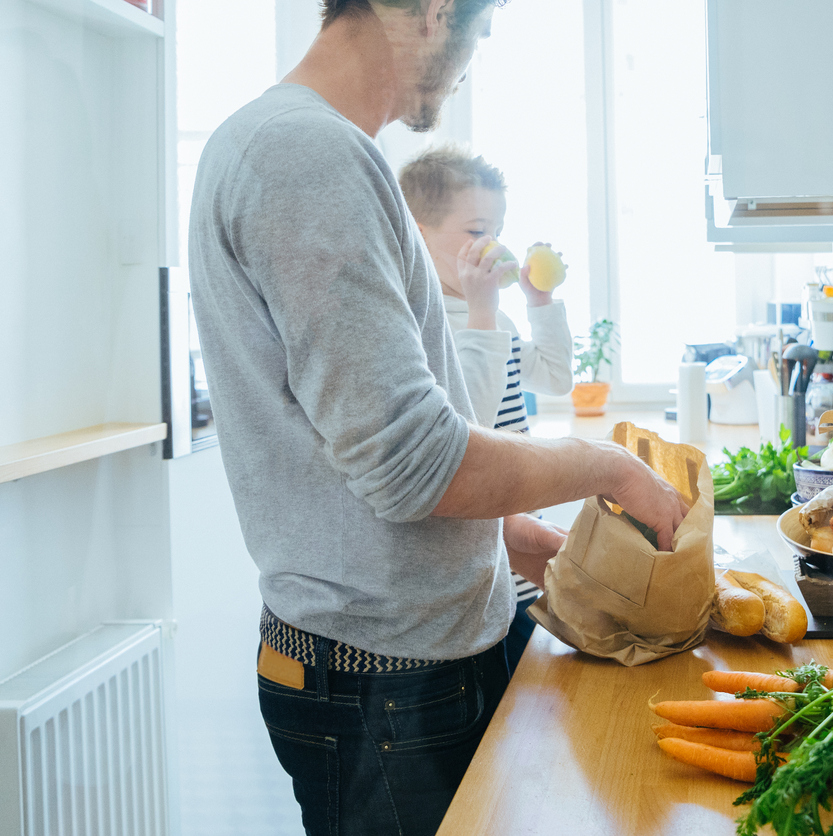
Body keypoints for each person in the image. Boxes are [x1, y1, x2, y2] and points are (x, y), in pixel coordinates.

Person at [185, 1, 688, 835]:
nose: (471, 61)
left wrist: (513, 543)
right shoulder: (304, 156)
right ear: (428, 11)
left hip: (401, 666)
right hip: (386, 683)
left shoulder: (308, 150)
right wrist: (610, 466)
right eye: (477, 33)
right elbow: (416, 465)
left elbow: (355, 456)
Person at [398, 146, 573, 673]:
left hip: (519, 553)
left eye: (496, 229)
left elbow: (557, 378)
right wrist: (482, 311)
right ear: (418, 234)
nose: (492, 245)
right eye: (476, 231)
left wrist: (538, 302)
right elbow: (463, 418)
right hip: (482, 554)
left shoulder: (494, 320)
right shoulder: (425, 325)